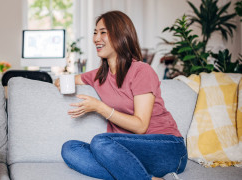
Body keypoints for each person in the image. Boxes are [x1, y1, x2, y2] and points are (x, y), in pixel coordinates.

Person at [55, 11, 187, 180]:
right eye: (95, 33)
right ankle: (140, 175)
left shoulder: (142, 71)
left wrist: (100, 108)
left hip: (166, 148)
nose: (96, 38)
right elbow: (64, 80)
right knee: (69, 148)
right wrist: (61, 83)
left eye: (103, 32)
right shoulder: (99, 75)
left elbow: (141, 126)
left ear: (121, 35)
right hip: (125, 153)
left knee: (100, 142)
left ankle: (132, 173)